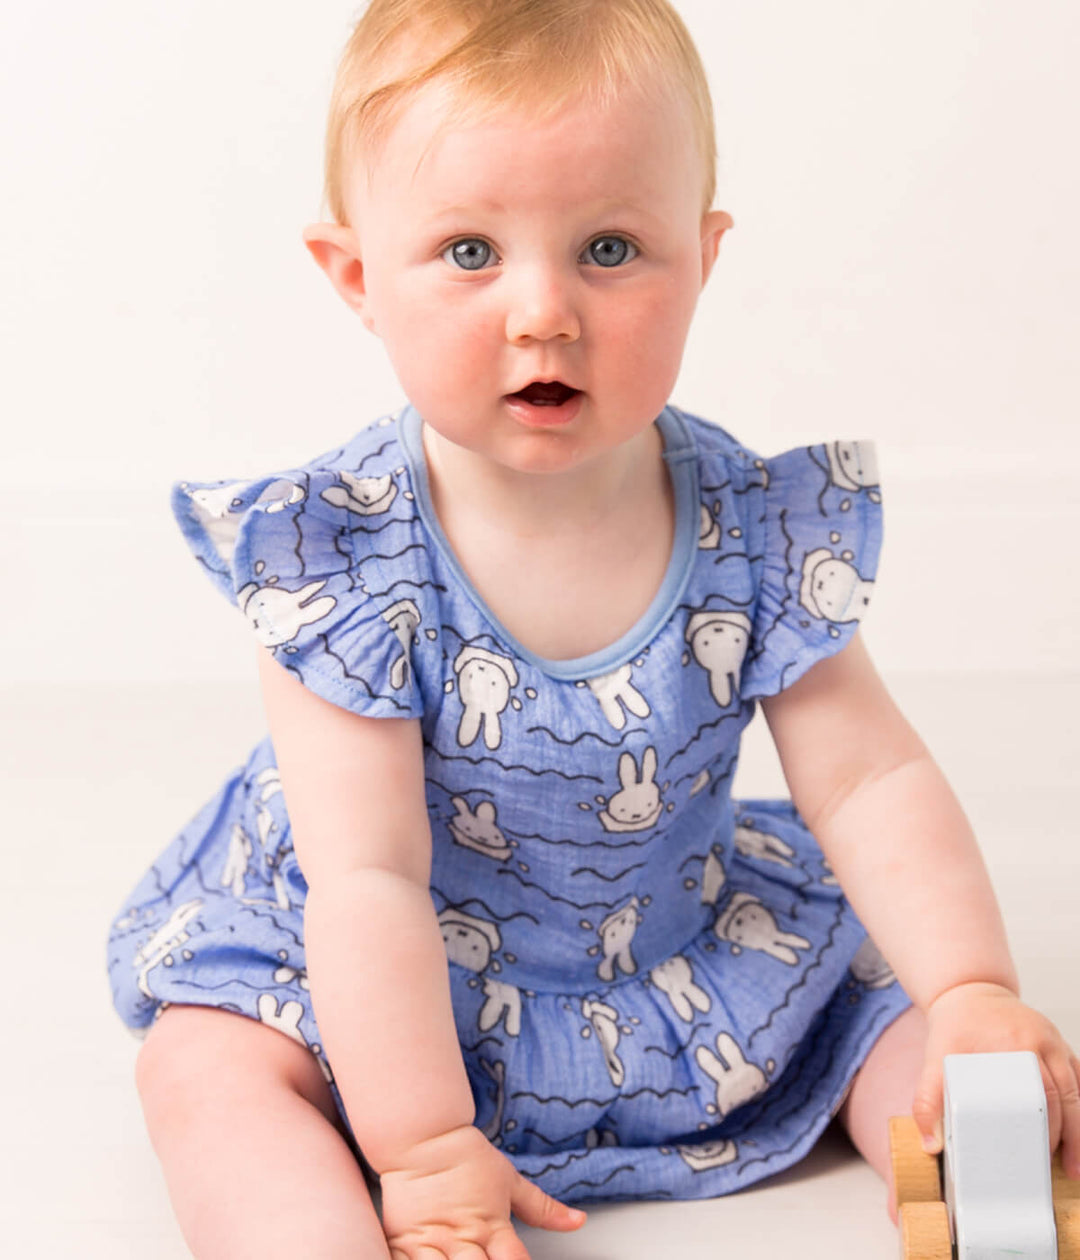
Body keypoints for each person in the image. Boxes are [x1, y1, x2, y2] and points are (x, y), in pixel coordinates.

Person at [107, 1, 1080, 1256]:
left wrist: (969, 989)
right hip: (372, 972)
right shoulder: (335, 557)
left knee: (891, 1014)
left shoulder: (749, 523)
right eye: (469, 253)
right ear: (357, 276)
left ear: (704, 256)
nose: (543, 312)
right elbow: (366, 879)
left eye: (610, 248)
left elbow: (871, 774)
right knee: (206, 1067)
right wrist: (418, 1145)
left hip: (672, 950)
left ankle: (974, 1166)